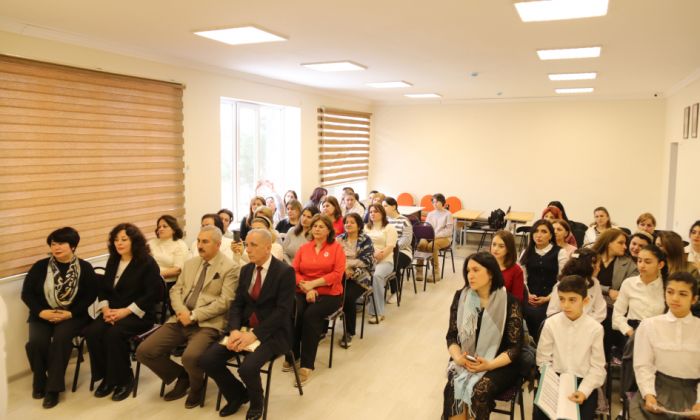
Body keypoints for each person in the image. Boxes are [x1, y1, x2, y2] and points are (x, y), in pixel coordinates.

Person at [136, 225, 238, 408]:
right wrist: (182, 311)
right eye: (198, 241)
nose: (199, 245)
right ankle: (182, 376)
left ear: (217, 244)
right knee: (144, 351)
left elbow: (225, 302)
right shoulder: (191, 263)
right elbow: (175, 290)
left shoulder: (230, 267)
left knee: (190, 357)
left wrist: (193, 315)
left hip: (207, 323)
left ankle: (197, 387)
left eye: (205, 242)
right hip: (180, 319)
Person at [199, 229, 296, 419]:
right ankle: (237, 395)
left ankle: (257, 403)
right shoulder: (246, 270)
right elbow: (237, 304)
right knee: (208, 360)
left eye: (253, 245)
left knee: (247, 368)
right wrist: (234, 330)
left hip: (272, 332)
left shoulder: (284, 272)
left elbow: (282, 312)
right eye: (247, 244)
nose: (248, 250)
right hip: (243, 329)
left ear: (267, 248)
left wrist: (254, 334)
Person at [84, 223, 162, 401]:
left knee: (113, 334)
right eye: (116, 240)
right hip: (112, 311)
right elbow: (104, 289)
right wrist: (105, 309)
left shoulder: (147, 263)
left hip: (138, 314)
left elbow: (151, 295)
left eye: (124, 239)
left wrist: (125, 312)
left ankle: (125, 379)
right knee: (92, 332)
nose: (119, 243)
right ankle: (107, 377)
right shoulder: (113, 260)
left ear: (134, 241)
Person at [21, 227, 97, 408]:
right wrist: (41, 312)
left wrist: (71, 313)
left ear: (73, 246)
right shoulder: (40, 266)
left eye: (61, 243)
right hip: (43, 314)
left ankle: (53, 389)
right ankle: (40, 380)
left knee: (61, 339)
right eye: (53, 244)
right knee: (36, 342)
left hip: (73, 315)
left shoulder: (85, 268)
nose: (56, 247)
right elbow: (27, 294)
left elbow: (90, 295)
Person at [441, 252, 523, 420]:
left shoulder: (509, 302)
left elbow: (514, 348)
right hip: (466, 359)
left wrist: (489, 365)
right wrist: (458, 358)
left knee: (479, 390)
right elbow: (452, 336)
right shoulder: (461, 297)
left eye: (476, 270)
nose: (470, 275)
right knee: (453, 387)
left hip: (499, 363)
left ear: (491, 273)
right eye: (468, 271)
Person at [535, 275, 606, 420]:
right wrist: (553, 385)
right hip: (554, 379)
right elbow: (543, 360)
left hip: (582, 382)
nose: (565, 305)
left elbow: (597, 367)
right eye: (562, 299)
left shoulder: (595, 329)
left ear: (585, 301)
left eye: (572, 300)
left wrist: (584, 391)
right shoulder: (551, 324)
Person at [630, 271, 700, 419]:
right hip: (658, 388)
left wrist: (699, 403)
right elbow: (643, 365)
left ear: (694, 299)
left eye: (683, 294)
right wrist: (648, 395)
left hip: (694, 392)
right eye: (670, 292)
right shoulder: (649, 325)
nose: (675, 298)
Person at [290, 214, 346, 385]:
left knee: (311, 315)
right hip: (304, 289)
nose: (317, 229)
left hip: (330, 293)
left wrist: (313, 285)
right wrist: (307, 287)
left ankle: (307, 365)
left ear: (329, 230)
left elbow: (337, 274)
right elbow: (294, 271)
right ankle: (293, 355)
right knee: (294, 311)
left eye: (321, 226)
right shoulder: (304, 248)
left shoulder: (336, 248)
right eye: (315, 226)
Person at [520, 219, 567, 342]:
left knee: (541, 317)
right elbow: (523, 278)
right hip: (530, 297)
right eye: (536, 231)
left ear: (550, 235)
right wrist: (528, 294)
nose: (539, 235)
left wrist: (548, 298)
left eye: (544, 232)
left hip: (551, 298)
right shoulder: (526, 252)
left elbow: (562, 280)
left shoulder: (560, 252)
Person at [336, 213, 374, 348]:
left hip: (360, 277)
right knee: (327, 293)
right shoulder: (339, 239)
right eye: (346, 222)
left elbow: (366, 261)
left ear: (359, 225)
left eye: (352, 222)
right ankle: (322, 329)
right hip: (340, 274)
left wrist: (348, 266)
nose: (348, 224)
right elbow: (334, 258)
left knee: (347, 296)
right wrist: (343, 268)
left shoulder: (365, 240)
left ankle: (349, 332)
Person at [612, 245, 667, 338]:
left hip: (658, 335)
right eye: (639, 261)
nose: (642, 265)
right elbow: (617, 316)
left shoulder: (666, 287)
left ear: (660, 265)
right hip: (632, 334)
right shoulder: (629, 283)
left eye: (647, 262)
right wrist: (630, 332)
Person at [546, 248, 607, 323]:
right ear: (587, 266)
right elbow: (552, 312)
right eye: (596, 266)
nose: (599, 269)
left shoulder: (595, 283)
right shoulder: (563, 284)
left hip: (589, 325)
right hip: (563, 325)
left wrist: (586, 325)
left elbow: (600, 311)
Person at [365, 204, 398, 323]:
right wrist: (371, 257)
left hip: (385, 261)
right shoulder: (366, 228)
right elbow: (362, 245)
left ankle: (378, 312)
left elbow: (390, 247)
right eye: (371, 212)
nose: (372, 214)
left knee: (376, 276)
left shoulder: (389, 228)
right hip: (368, 260)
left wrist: (378, 256)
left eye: (376, 211)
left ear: (382, 213)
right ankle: (358, 302)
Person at [591, 229, 638, 304]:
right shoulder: (589, 258)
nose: (625, 247)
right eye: (620, 243)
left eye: (625, 243)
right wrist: (608, 290)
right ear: (608, 243)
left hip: (612, 305)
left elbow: (628, 290)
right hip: (587, 301)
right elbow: (582, 282)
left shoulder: (630, 264)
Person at [383, 197, 413, 304]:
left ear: (394, 207)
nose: (383, 208)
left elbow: (406, 240)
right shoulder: (384, 221)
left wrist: (392, 248)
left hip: (403, 251)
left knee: (394, 262)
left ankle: (395, 292)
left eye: (385, 206)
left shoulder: (404, 221)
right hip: (386, 249)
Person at [418, 193, 453, 279]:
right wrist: (425, 233)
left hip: (444, 238)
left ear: (442, 202)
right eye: (433, 202)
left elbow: (448, 231)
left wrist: (435, 235)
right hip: (430, 236)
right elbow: (426, 226)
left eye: (437, 202)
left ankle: (435, 272)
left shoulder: (448, 214)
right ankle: (419, 270)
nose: (435, 204)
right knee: (421, 244)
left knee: (431, 246)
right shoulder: (430, 214)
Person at [148, 215, 189, 283]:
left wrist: (155, 276)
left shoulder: (180, 245)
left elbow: (177, 270)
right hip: (149, 279)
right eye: (159, 227)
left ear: (173, 229)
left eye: (164, 226)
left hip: (167, 282)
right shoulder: (151, 242)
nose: (160, 229)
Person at [489, 230, 525, 302]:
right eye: (494, 244)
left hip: (505, 305)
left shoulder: (516, 270)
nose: (495, 249)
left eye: (501, 246)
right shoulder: (484, 264)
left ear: (509, 248)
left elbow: (517, 299)